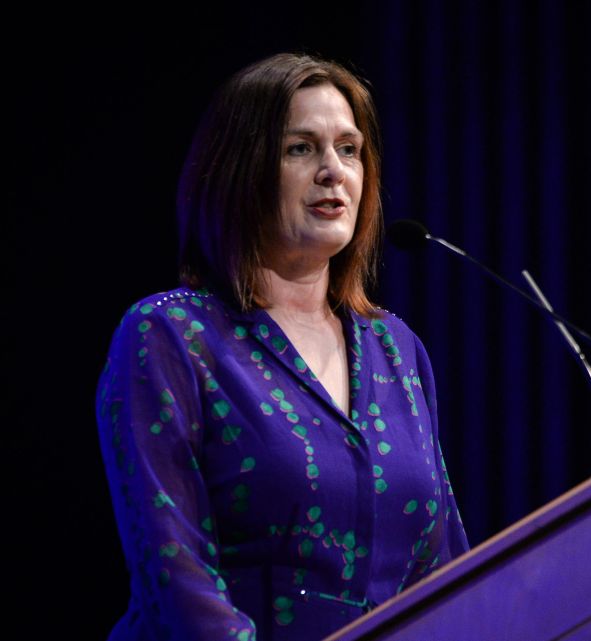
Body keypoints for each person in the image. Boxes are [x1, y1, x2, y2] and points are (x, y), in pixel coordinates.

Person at [96, 53, 469, 641]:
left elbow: (441, 564)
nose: (333, 171)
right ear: (239, 170)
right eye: (301, 148)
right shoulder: (171, 337)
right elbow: (174, 572)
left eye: (349, 149)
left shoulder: (397, 350)